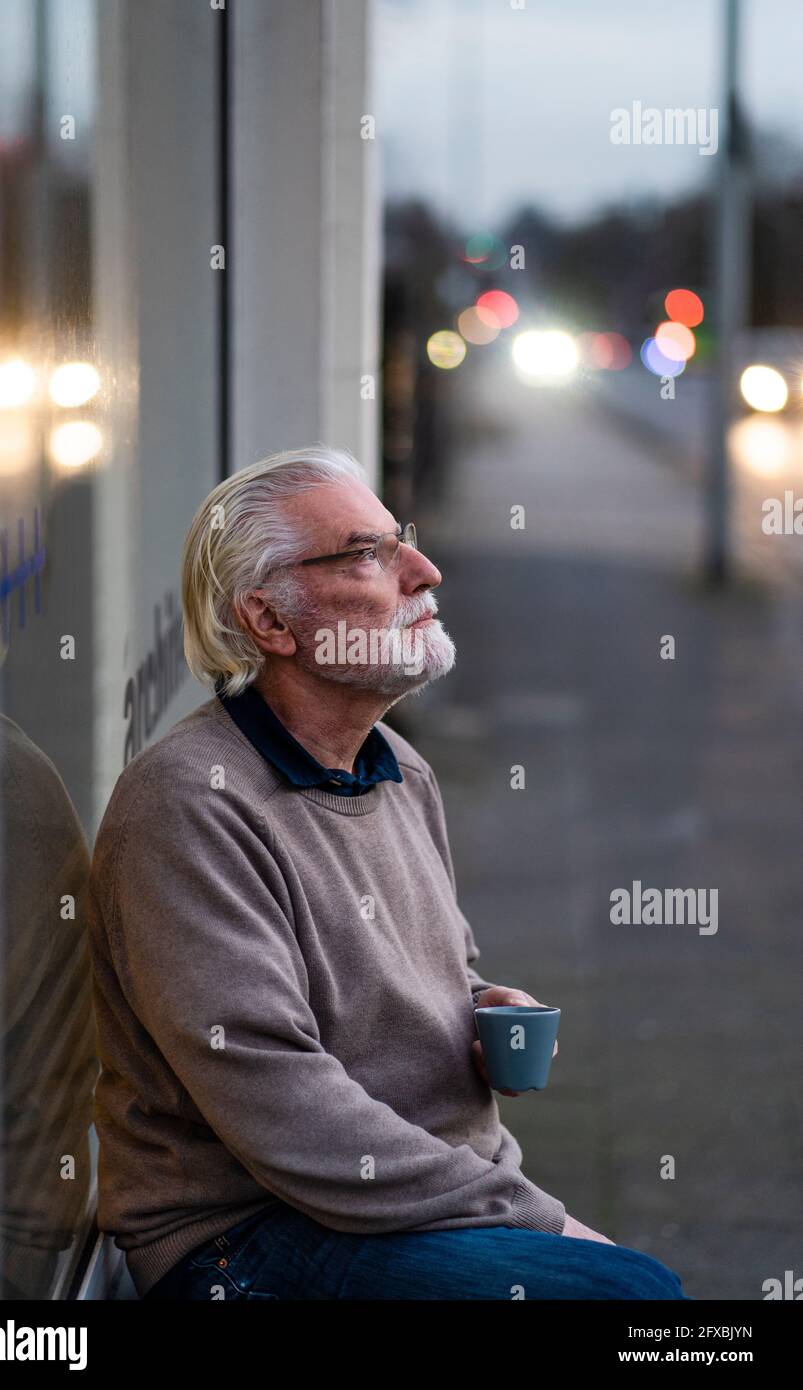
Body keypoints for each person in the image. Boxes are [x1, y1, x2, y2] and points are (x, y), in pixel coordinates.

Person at [87, 443, 690, 1301]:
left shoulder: (397, 767)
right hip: (245, 1239)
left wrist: (477, 1006)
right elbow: (279, 1099)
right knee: (639, 1306)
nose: (423, 569)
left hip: (405, 1200)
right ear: (269, 622)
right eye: (365, 553)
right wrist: (536, 1216)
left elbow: (399, 968)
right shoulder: (188, 804)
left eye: (397, 539)